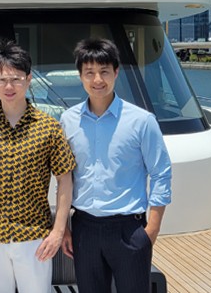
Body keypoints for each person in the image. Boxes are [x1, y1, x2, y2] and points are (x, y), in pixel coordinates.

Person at [60, 38, 172, 293]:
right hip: (84, 228)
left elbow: (161, 173)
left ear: (116, 72)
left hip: (129, 229)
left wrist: (152, 229)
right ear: (80, 76)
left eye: (104, 71)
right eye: (89, 72)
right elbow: (65, 177)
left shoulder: (142, 121)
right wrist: (64, 227)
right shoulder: (68, 120)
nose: (97, 79)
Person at [0, 40, 76, 293]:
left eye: (16, 79)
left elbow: (65, 179)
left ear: (28, 80)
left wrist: (58, 231)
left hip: (35, 236)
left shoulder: (49, 127)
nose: (9, 86)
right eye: (2, 79)